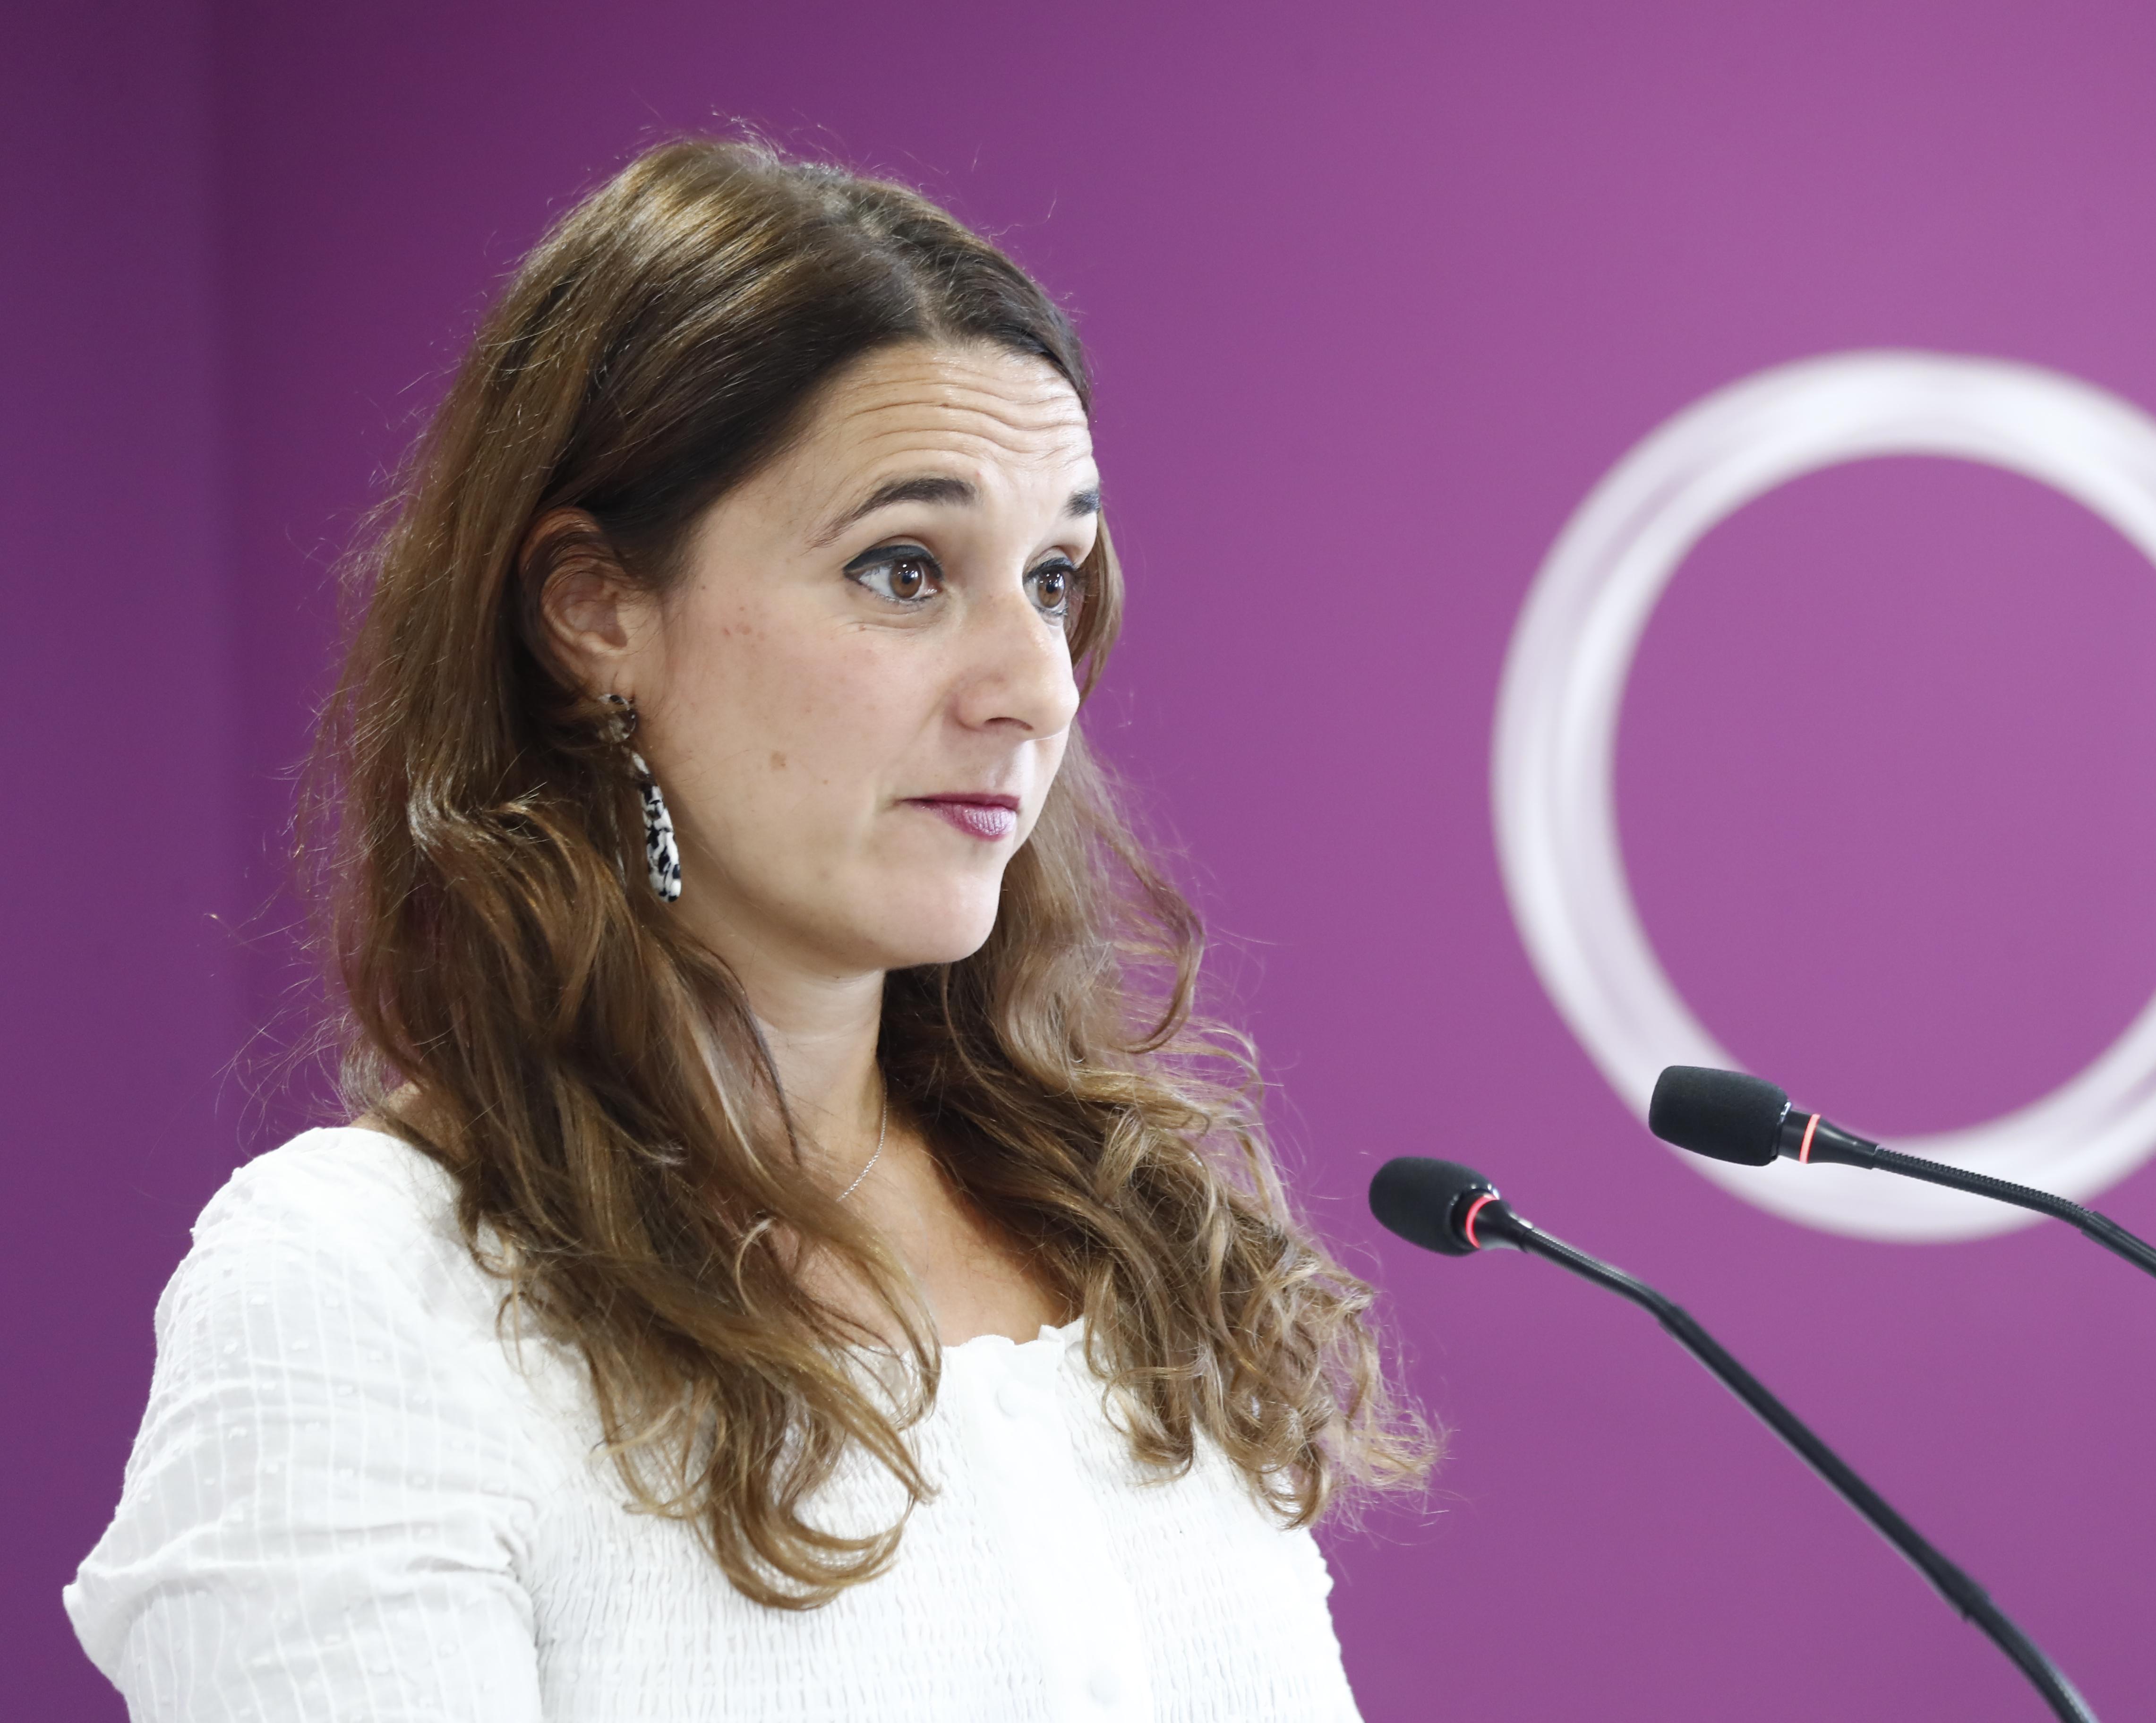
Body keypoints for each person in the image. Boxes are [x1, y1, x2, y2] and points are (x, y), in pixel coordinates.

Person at [65, 137, 1425, 1721]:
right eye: (906, 570)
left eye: (1054, 577)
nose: (1037, 685)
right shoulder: (365, 1287)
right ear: (595, 615)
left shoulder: (1135, 1236)